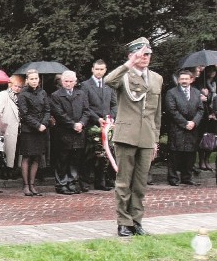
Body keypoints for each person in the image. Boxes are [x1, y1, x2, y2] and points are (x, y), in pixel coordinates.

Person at [104, 37, 163, 237]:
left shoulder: (156, 78)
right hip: (126, 135)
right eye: (140, 54)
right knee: (123, 182)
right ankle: (123, 222)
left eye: (147, 54)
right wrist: (129, 64)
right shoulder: (124, 76)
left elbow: (156, 112)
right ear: (131, 55)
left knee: (140, 184)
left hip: (146, 137)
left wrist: (155, 139)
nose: (145, 58)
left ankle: (136, 221)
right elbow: (108, 80)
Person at [49, 70, 91, 195]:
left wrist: (82, 123)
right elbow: (59, 114)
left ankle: (72, 182)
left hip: (79, 132)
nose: (68, 83)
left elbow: (87, 111)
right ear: (62, 82)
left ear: (75, 82)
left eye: (71, 81)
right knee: (62, 159)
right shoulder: (56, 96)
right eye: (66, 81)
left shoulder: (81, 94)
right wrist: (72, 124)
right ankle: (61, 184)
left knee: (75, 159)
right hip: (63, 133)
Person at [82, 59, 117, 190]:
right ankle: (84, 182)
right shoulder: (85, 85)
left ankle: (101, 182)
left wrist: (111, 117)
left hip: (107, 125)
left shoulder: (109, 85)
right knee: (90, 154)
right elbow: (85, 106)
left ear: (105, 70)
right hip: (92, 124)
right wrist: (97, 119)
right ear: (92, 69)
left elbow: (114, 104)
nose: (99, 72)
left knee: (105, 154)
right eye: (97, 69)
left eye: (102, 69)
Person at [165, 70, 204, 186]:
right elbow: (172, 111)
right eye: (182, 79)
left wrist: (194, 122)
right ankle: (173, 178)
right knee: (175, 153)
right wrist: (185, 123)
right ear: (178, 80)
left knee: (190, 153)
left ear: (191, 80)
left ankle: (187, 177)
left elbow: (201, 109)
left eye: (186, 79)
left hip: (193, 128)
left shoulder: (197, 93)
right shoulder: (171, 93)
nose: (184, 81)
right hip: (178, 127)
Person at [17, 70, 50, 196]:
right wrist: (37, 125)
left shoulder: (43, 92)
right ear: (27, 80)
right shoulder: (23, 94)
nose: (34, 81)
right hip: (28, 130)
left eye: (36, 78)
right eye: (32, 79)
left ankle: (32, 185)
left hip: (41, 129)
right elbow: (24, 114)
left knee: (37, 157)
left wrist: (44, 124)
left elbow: (47, 110)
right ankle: (26, 185)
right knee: (27, 156)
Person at [0, 75, 22, 177]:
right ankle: (6, 171)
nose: (18, 88)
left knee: (15, 150)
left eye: (20, 87)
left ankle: (13, 170)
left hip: (17, 127)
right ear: (10, 84)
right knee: (5, 151)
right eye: (16, 86)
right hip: (6, 127)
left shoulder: (20, 96)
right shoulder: (4, 94)